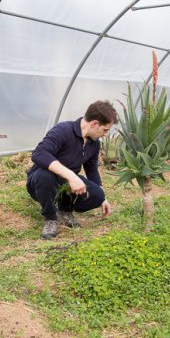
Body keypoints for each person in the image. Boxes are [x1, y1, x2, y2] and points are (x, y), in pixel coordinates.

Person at [26, 100, 117, 239]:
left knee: (97, 195)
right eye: (105, 130)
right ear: (94, 124)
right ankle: (51, 218)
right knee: (45, 176)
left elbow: (92, 170)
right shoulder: (63, 130)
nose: (105, 134)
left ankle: (65, 210)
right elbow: (39, 153)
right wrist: (72, 176)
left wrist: (103, 198)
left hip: (66, 185)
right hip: (40, 182)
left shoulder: (94, 143)